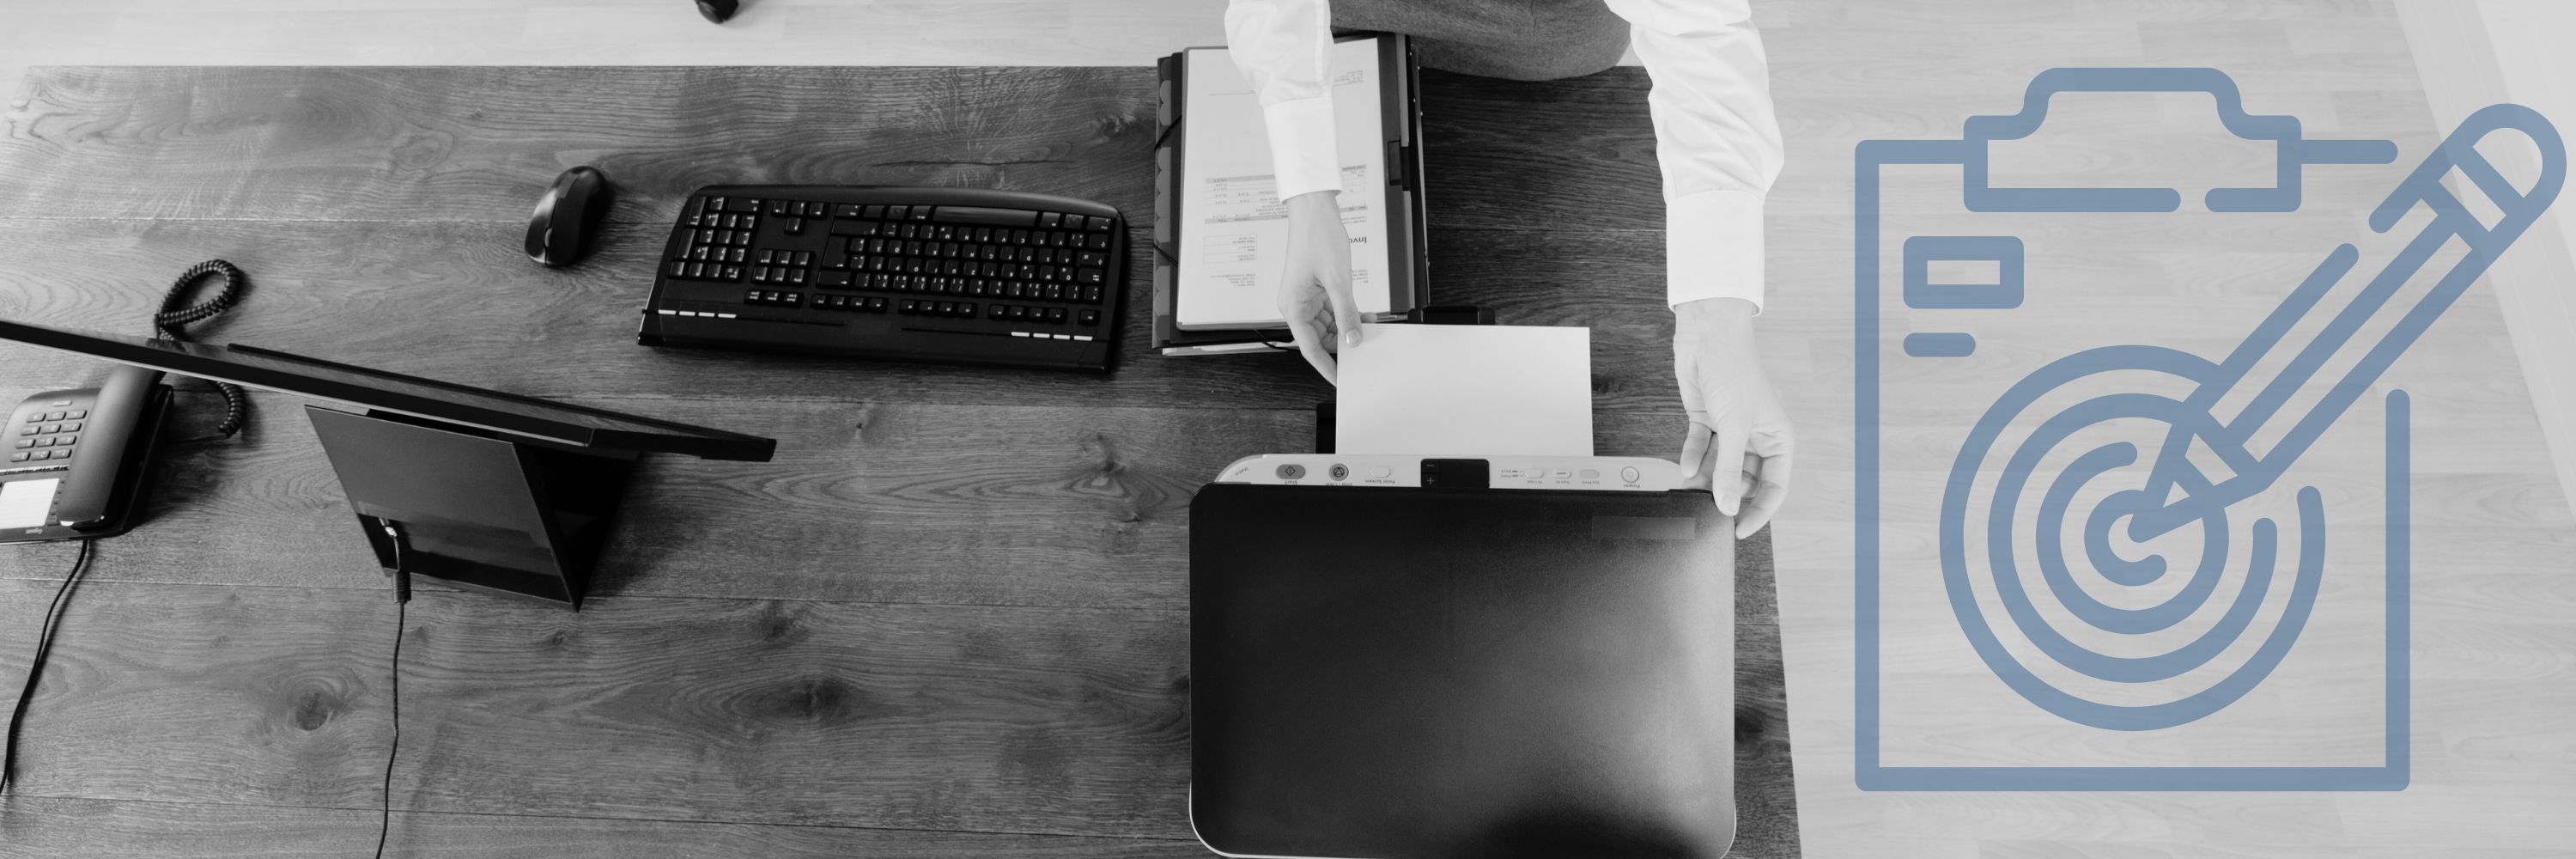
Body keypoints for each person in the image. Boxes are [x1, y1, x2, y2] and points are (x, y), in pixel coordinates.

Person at [1225, 0, 1792, 539]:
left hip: (1535, 42)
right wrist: (1308, 201)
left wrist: (1717, 323)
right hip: (1338, 25)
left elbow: (1700, 33)